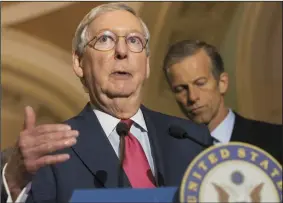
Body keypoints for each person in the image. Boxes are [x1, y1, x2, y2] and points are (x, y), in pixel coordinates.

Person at [1, 4, 213, 203]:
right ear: (79, 62)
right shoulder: (49, 154)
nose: (122, 51)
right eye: (105, 39)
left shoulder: (193, 140)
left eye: (134, 41)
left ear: (146, 64)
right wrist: (14, 183)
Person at [163, 39, 282, 165]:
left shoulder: (276, 140)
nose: (192, 97)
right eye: (180, 89)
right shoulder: (169, 157)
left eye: (200, 83)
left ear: (222, 83)